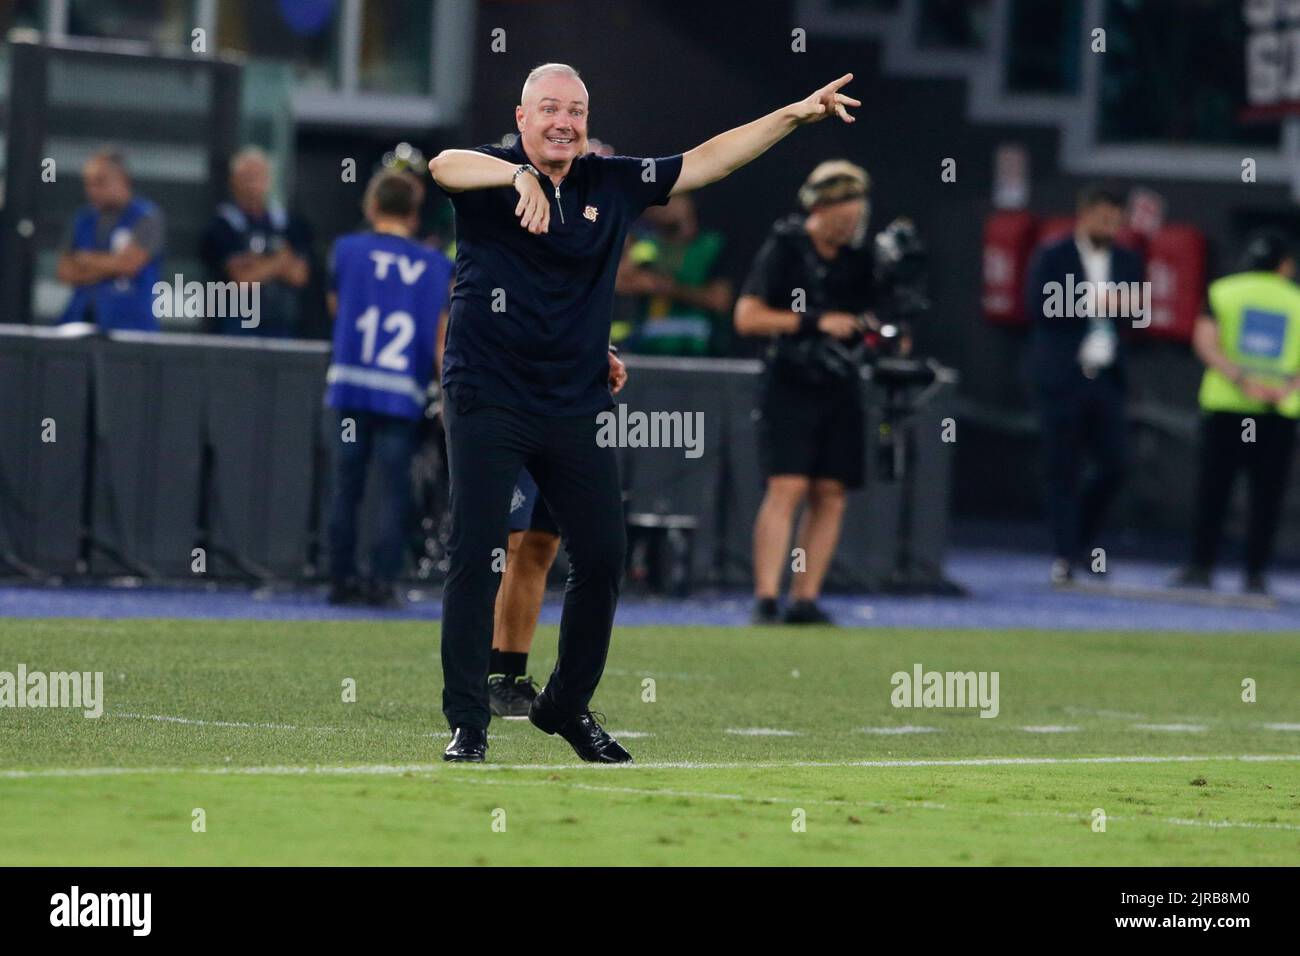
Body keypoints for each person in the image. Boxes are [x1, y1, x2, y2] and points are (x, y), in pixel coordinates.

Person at [428, 62, 859, 762]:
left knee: (602, 553)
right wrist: (518, 177)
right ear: (521, 118)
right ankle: (468, 724)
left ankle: (566, 707)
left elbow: (706, 160)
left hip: (573, 399)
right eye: (549, 109)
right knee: (477, 551)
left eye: (576, 110)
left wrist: (792, 114)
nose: (563, 121)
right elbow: (442, 165)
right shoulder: (492, 174)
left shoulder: (611, 182)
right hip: (488, 392)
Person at [735, 160, 876, 626]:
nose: (851, 220)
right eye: (844, 210)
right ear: (822, 206)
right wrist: (815, 323)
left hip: (841, 383)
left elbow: (878, 317)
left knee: (831, 491)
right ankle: (766, 596)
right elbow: (748, 317)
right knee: (788, 485)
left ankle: (806, 598)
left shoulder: (860, 259)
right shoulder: (786, 248)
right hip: (790, 381)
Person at [325, 170, 454, 607]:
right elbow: (441, 337)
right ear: (415, 214)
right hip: (402, 392)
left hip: (351, 385)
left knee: (347, 486)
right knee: (393, 489)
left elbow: (336, 308)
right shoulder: (437, 265)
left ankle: (341, 579)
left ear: (372, 205)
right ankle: (382, 582)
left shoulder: (346, 250)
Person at [1025, 184, 1143, 586]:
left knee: (1116, 465)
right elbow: (1039, 305)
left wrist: (1120, 306)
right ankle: (1064, 555)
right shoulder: (1053, 255)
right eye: (1104, 217)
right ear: (1085, 214)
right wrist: (1096, 301)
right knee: (1062, 469)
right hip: (1063, 377)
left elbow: (1137, 310)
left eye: (1117, 219)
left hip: (1107, 378)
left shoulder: (1128, 259)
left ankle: (1082, 541)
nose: (1110, 225)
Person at [1172, 232, 1300, 596]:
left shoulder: (1224, 290)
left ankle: (1200, 567)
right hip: (1277, 413)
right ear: (1284, 265)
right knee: (1267, 496)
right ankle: (1255, 574)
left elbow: (1205, 342)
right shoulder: (1295, 299)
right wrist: (1283, 388)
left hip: (1227, 408)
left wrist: (1242, 380)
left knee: (1213, 490)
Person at [201, 147, 312, 337]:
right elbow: (242, 279)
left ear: (269, 179)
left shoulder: (288, 222)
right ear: (233, 181)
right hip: (236, 324)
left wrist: (256, 264)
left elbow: (299, 276)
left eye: (258, 176)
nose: (253, 184)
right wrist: (280, 261)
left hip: (281, 323)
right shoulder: (222, 224)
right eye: (247, 177)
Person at [57, 149, 164, 332]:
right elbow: (65, 271)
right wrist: (111, 265)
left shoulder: (146, 216)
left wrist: (85, 260)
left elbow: (129, 265)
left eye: (100, 182)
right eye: (88, 184)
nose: (92, 190)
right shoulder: (83, 219)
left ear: (123, 180)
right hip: (80, 320)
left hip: (131, 325)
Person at [613, 194, 734, 355]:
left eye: (673, 197)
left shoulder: (712, 245)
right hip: (648, 351)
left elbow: (720, 301)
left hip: (700, 351)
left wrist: (669, 288)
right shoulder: (645, 243)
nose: (664, 206)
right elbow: (619, 282)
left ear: (689, 200)